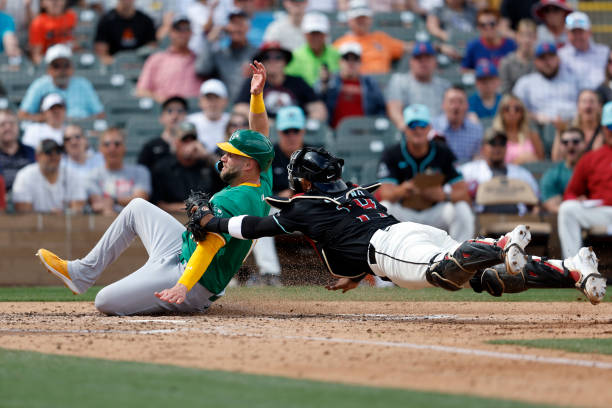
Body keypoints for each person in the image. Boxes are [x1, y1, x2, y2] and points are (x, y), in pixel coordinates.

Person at [196, 145, 606, 305]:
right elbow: (340, 233)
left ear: (303, 181)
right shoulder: (351, 192)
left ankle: (500, 245)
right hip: (411, 233)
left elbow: (251, 229)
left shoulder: (306, 205)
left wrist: (213, 221)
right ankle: (571, 267)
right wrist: (354, 275)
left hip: (390, 248)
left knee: (443, 275)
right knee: (488, 281)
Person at [36, 61, 276, 315]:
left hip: (196, 281)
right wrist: (256, 96)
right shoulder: (262, 175)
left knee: (105, 302)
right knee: (137, 207)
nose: (223, 156)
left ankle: (176, 291)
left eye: (231, 154)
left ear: (248, 164)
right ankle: (82, 272)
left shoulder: (238, 199)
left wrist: (182, 286)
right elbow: (260, 133)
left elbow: (210, 245)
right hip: (183, 249)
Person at [377, 104, 474, 241]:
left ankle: (460, 255)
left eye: (422, 125)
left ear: (429, 128)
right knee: (386, 207)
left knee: (462, 209)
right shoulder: (392, 153)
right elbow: (385, 194)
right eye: (413, 125)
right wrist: (402, 190)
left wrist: (443, 195)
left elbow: (463, 193)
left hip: (434, 212)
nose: (418, 130)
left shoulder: (442, 151)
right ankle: (384, 256)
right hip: (405, 213)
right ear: (405, 129)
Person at [558, 101, 612, 259]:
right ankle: (574, 268)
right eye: (610, 127)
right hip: (602, 211)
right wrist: (578, 199)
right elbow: (570, 193)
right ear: (603, 129)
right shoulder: (590, 158)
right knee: (567, 209)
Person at [234, 42, 327, 121]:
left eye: (278, 57)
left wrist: (304, 124)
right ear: (261, 63)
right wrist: (264, 122)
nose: (272, 61)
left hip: (293, 132)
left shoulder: (298, 82)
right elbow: (239, 107)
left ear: (285, 61)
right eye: (267, 57)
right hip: (264, 133)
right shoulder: (253, 82)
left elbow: (318, 108)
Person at [150, 121, 223, 213]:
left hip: (208, 218)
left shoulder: (207, 164)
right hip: (174, 218)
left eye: (193, 139)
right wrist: (190, 207)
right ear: (175, 143)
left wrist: (208, 155)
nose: (190, 144)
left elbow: (228, 176)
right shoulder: (163, 167)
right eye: (185, 140)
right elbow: (157, 204)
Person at [19, 45, 105, 122]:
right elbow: (22, 115)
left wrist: (80, 122)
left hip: (80, 133)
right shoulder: (39, 85)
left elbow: (100, 115)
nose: (61, 71)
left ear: (72, 68)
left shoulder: (83, 84)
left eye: (66, 65)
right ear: (48, 69)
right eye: (56, 66)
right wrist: (49, 119)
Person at [459, 129, 540, 211]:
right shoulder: (469, 171)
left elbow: (536, 201)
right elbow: (451, 189)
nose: (497, 148)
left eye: (502, 143)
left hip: (516, 220)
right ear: (483, 148)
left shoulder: (521, 173)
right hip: (482, 220)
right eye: (493, 143)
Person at [195, 7, 258, 102]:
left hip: (250, 106)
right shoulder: (220, 54)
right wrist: (210, 40)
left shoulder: (257, 53)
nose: (236, 28)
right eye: (233, 24)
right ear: (227, 28)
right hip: (224, 108)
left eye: (240, 24)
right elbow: (201, 69)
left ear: (248, 28)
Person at [385, 41, 451, 131]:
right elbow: (394, 109)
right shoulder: (399, 81)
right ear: (411, 62)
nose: (423, 62)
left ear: (435, 62)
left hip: (439, 133)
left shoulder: (444, 85)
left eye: (427, 58)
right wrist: (405, 127)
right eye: (418, 58)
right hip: (412, 130)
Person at [136, 16, 203, 103]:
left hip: (195, 112)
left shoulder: (200, 61)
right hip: (164, 111)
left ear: (191, 33)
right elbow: (141, 91)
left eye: (186, 29)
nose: (182, 33)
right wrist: (164, 101)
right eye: (178, 29)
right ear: (171, 32)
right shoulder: (156, 59)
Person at [512, 41, 580, 126]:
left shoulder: (573, 79)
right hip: (539, 128)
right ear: (535, 62)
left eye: (551, 57)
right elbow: (515, 109)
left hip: (572, 126)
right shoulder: (526, 83)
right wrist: (534, 116)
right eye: (542, 58)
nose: (547, 62)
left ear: (558, 59)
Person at [320, 42, 386, 128]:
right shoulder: (330, 82)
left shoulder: (370, 84)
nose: (350, 62)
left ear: (360, 62)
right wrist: (323, 84)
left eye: (355, 59)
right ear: (340, 61)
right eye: (346, 58)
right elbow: (317, 101)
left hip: (365, 133)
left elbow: (381, 109)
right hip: (335, 134)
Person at [87, 128, 151, 216]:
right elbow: (97, 204)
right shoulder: (92, 174)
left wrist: (113, 201)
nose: (112, 148)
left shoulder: (140, 171)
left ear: (124, 147)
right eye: (107, 144)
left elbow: (140, 201)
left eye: (117, 144)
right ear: (100, 149)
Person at [12, 139, 87, 213]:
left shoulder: (72, 174)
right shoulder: (25, 175)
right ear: (38, 156)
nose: (54, 156)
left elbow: (78, 207)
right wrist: (49, 217)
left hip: (65, 223)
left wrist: (64, 214)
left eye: (58, 152)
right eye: (48, 152)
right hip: (35, 224)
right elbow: (23, 211)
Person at [333, 0, 406, 75]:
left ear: (370, 19)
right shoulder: (340, 44)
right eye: (358, 18)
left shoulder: (382, 38)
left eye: (364, 18)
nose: (361, 21)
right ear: (350, 20)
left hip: (383, 83)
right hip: (356, 83)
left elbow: (406, 48)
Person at [284, 12, 340, 87]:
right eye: (312, 33)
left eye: (319, 33)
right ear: (305, 35)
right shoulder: (295, 56)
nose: (316, 37)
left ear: (326, 35)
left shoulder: (336, 55)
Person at [558, 12, 610, 91]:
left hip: (602, 98)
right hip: (572, 100)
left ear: (589, 32)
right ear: (567, 34)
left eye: (581, 32)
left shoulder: (605, 52)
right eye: (574, 32)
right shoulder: (560, 55)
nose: (577, 36)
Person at [94, 0, 157, 65]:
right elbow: (101, 54)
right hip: (114, 67)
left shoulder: (146, 21)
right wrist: (118, 63)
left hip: (140, 65)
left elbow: (151, 48)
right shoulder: (106, 21)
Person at [137, 96, 188, 172]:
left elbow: (212, 168)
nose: (175, 116)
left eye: (180, 111)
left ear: (186, 117)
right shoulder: (150, 146)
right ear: (161, 118)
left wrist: (207, 157)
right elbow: (140, 173)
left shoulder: (193, 145)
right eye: (169, 111)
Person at [540, 127, 585, 214]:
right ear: (560, 146)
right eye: (565, 142)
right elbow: (551, 205)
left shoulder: (594, 171)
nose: (570, 145)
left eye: (575, 142)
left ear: (584, 144)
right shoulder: (552, 174)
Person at [433, 86, 483, 162]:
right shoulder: (432, 127)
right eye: (451, 102)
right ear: (443, 105)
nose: (456, 107)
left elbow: (478, 159)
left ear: (467, 105)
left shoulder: (476, 130)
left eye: (460, 102)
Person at [491, 94, 544, 165]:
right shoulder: (495, 136)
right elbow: (492, 162)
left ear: (522, 112)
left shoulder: (532, 135)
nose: (512, 112)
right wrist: (518, 161)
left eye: (517, 109)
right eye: (507, 109)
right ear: (501, 112)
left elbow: (541, 162)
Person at [551, 89, 603, 161]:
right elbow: (556, 159)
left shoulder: (606, 131)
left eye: (591, 102)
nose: (588, 106)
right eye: (584, 102)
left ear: (599, 107)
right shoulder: (569, 130)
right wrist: (559, 131)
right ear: (577, 106)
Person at [29, 0, 77, 65]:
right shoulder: (38, 22)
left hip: (71, 61)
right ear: (42, 3)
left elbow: (79, 44)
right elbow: (36, 54)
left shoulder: (72, 16)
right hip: (50, 63)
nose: (55, 2)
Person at [188, 79, 230, 152]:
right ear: (200, 101)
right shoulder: (189, 121)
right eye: (208, 98)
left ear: (225, 101)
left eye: (216, 98)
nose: (212, 103)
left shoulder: (233, 122)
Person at [0, 109, 35, 192]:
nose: (8, 128)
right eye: (2, 124)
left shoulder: (31, 152)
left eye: (12, 124)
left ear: (18, 127)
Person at [498, 19, 536, 95]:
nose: (527, 40)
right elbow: (504, 91)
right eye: (523, 35)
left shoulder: (540, 61)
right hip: (513, 104)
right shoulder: (506, 62)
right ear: (517, 36)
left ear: (535, 37)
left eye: (530, 35)